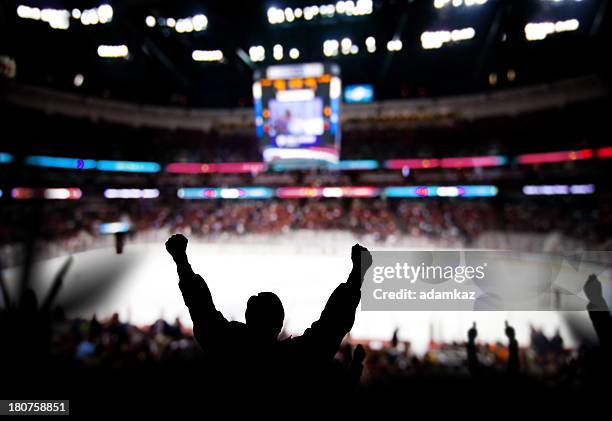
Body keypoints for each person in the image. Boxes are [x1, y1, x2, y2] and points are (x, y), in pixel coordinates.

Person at [165, 233, 372, 400]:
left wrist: (181, 261)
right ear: (280, 324)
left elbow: (201, 309)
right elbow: (330, 329)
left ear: (247, 317)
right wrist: (357, 275)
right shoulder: (293, 361)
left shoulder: (225, 347)